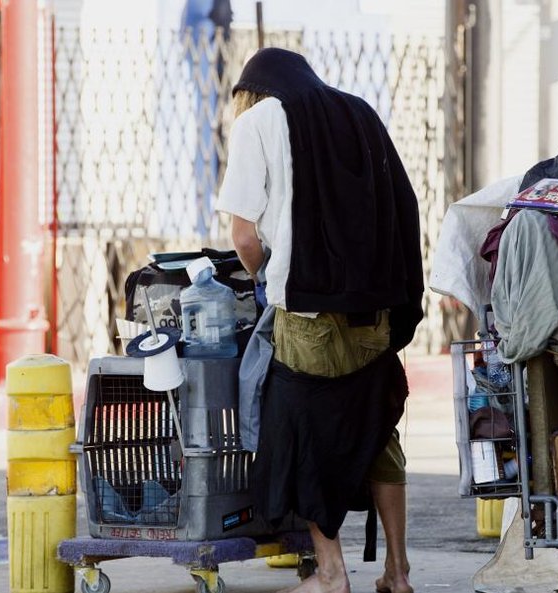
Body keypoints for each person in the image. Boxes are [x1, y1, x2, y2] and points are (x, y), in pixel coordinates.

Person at [215, 48, 424, 593]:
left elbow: (242, 236)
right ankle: (398, 574)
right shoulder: (359, 111)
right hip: (374, 311)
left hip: (306, 313)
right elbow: (404, 204)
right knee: (375, 430)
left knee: (301, 433)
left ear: (251, 94)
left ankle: (332, 574)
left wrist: (264, 276)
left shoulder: (258, 122)